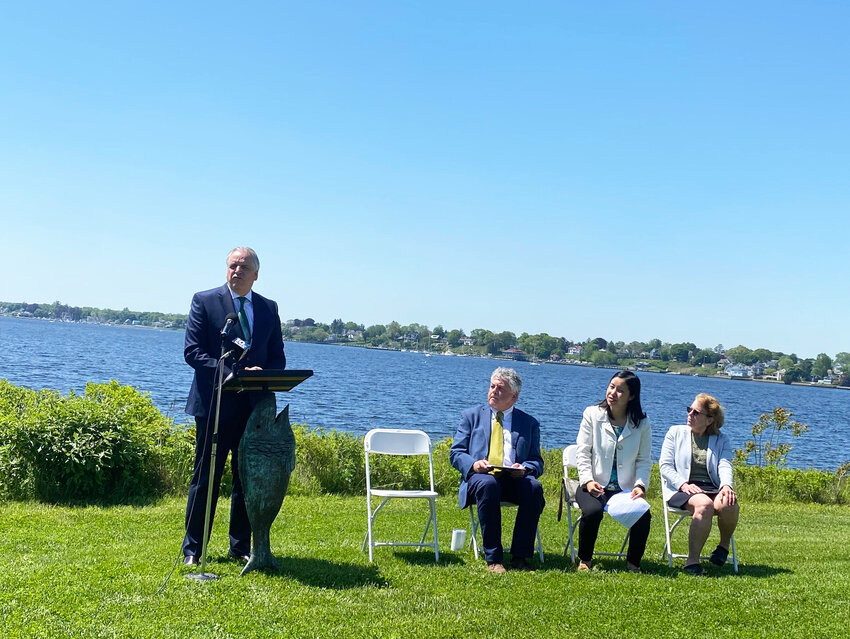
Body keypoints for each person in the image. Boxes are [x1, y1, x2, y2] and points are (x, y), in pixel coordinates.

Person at [182, 247, 286, 566]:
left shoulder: (268, 308)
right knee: (206, 479)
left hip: (254, 410)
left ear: (256, 274)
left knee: (246, 479)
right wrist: (230, 373)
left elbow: (277, 356)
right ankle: (193, 550)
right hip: (214, 406)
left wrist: (263, 375)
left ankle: (240, 546)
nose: (237, 271)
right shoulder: (205, 301)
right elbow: (193, 352)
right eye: (232, 265)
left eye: (244, 267)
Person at [449, 367, 545, 573]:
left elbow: (537, 461)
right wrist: (474, 464)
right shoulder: (471, 416)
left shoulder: (529, 423)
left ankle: (520, 557)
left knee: (534, 488)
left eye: (500, 389)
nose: (493, 391)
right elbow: (456, 453)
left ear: (514, 396)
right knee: (488, 484)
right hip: (480, 478)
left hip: (514, 479)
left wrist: (526, 468)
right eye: (492, 386)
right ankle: (493, 559)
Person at [574, 370, 652, 572]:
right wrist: (588, 481)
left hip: (624, 490)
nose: (613, 393)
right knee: (592, 512)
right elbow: (582, 453)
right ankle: (585, 560)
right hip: (592, 485)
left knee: (643, 514)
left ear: (632, 396)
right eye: (611, 387)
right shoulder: (592, 414)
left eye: (620, 390)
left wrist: (640, 485)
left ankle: (633, 564)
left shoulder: (642, 423)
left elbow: (644, 460)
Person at [659, 393, 739, 575]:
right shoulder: (675, 433)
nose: (690, 414)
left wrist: (726, 485)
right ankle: (692, 562)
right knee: (704, 505)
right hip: (681, 489)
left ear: (709, 420)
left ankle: (723, 548)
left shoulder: (721, 439)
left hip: (711, 487)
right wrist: (683, 484)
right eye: (689, 410)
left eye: (696, 413)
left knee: (730, 503)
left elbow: (724, 463)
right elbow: (664, 466)